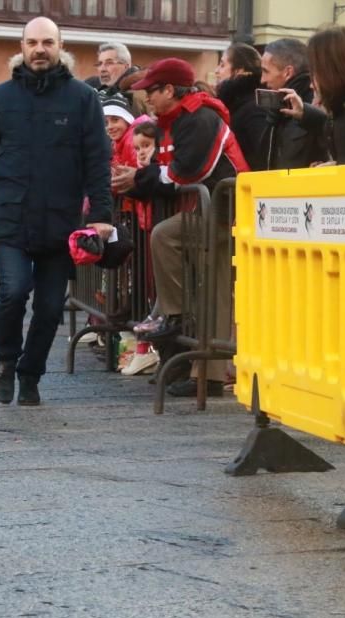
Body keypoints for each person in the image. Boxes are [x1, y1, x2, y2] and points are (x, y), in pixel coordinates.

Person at [0, 16, 113, 406]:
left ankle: (31, 373)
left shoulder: (82, 99)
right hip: (10, 215)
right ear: (22, 46)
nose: (40, 49)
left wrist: (101, 215)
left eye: (47, 42)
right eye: (32, 42)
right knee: (13, 291)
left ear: (60, 46)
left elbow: (98, 160)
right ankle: (6, 361)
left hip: (61, 220)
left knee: (49, 308)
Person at [114, 57, 250, 397]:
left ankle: (174, 315)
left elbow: (186, 172)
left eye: (151, 91)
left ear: (170, 90)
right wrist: (140, 179)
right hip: (217, 212)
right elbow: (169, 171)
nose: (146, 99)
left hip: (225, 214)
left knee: (165, 235)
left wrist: (138, 178)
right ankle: (211, 374)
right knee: (214, 293)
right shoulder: (178, 120)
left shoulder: (201, 118)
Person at [280, 26, 345, 164]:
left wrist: (337, 169)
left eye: (315, 72)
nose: (311, 85)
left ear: (330, 71)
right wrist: (305, 113)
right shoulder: (341, 110)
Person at [260, 38, 327, 170]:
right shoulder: (278, 110)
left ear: (288, 72)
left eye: (266, 71)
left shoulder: (317, 105)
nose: (262, 79)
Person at [215, 42, 269, 171]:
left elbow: (262, 157)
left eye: (222, 65)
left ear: (239, 71)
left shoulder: (254, 108)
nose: (217, 70)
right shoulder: (233, 104)